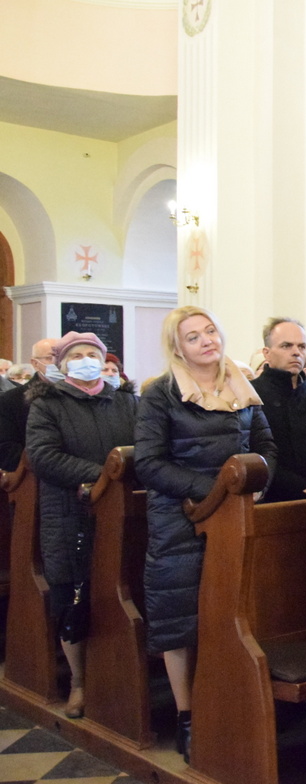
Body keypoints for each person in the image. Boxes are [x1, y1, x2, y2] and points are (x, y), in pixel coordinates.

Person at [135, 306, 276, 762]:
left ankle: (229, 704)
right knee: (180, 616)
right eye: (193, 336)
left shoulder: (241, 385)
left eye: (210, 331)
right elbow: (149, 463)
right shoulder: (160, 394)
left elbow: (265, 445)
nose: (206, 341)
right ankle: (187, 715)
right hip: (181, 516)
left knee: (232, 613)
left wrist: (259, 483)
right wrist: (214, 492)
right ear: (178, 348)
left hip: (236, 512)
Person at [25, 332, 137, 719]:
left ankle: (121, 679)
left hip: (122, 512)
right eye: (77, 355)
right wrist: (105, 474)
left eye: (93, 353)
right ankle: (79, 682)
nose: (86, 360)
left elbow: (146, 447)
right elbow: (44, 456)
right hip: (70, 514)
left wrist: (121, 476)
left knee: (120, 595)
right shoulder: (47, 404)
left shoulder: (126, 401)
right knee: (73, 600)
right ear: (61, 365)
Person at [251, 317, 306, 502]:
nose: (296, 352)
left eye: (301, 346)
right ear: (267, 353)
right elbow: (257, 452)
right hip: (273, 498)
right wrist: (304, 490)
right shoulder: (252, 394)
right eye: (286, 346)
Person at [0, 338, 59, 471]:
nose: (58, 363)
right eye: (50, 358)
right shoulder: (11, 400)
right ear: (35, 363)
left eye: (63, 357)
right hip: (35, 474)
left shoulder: (80, 396)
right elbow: (6, 450)